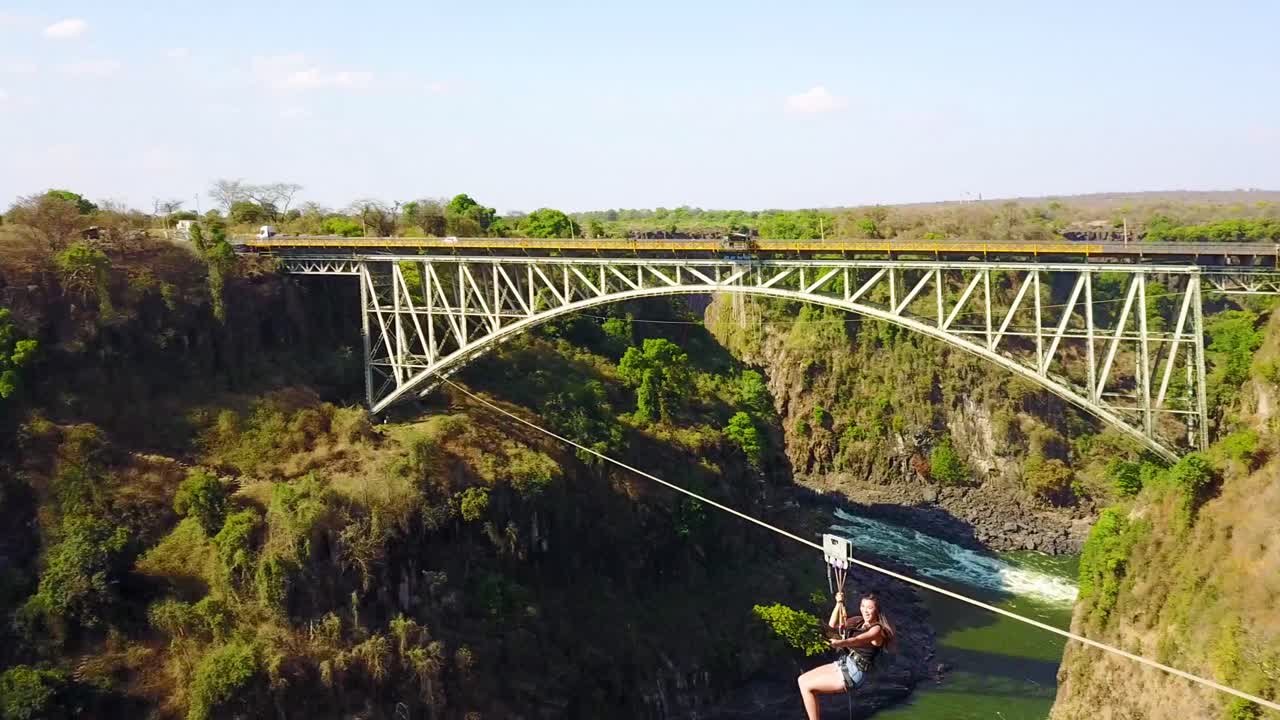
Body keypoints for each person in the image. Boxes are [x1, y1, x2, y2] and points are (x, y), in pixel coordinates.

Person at [796, 592, 897, 720]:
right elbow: (831, 627)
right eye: (863, 606)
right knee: (802, 680)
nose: (865, 611)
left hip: (854, 672)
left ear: (877, 610)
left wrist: (841, 643)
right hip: (844, 663)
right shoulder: (857, 621)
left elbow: (859, 639)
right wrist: (838, 604)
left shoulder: (877, 630)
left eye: (870, 608)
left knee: (806, 685)